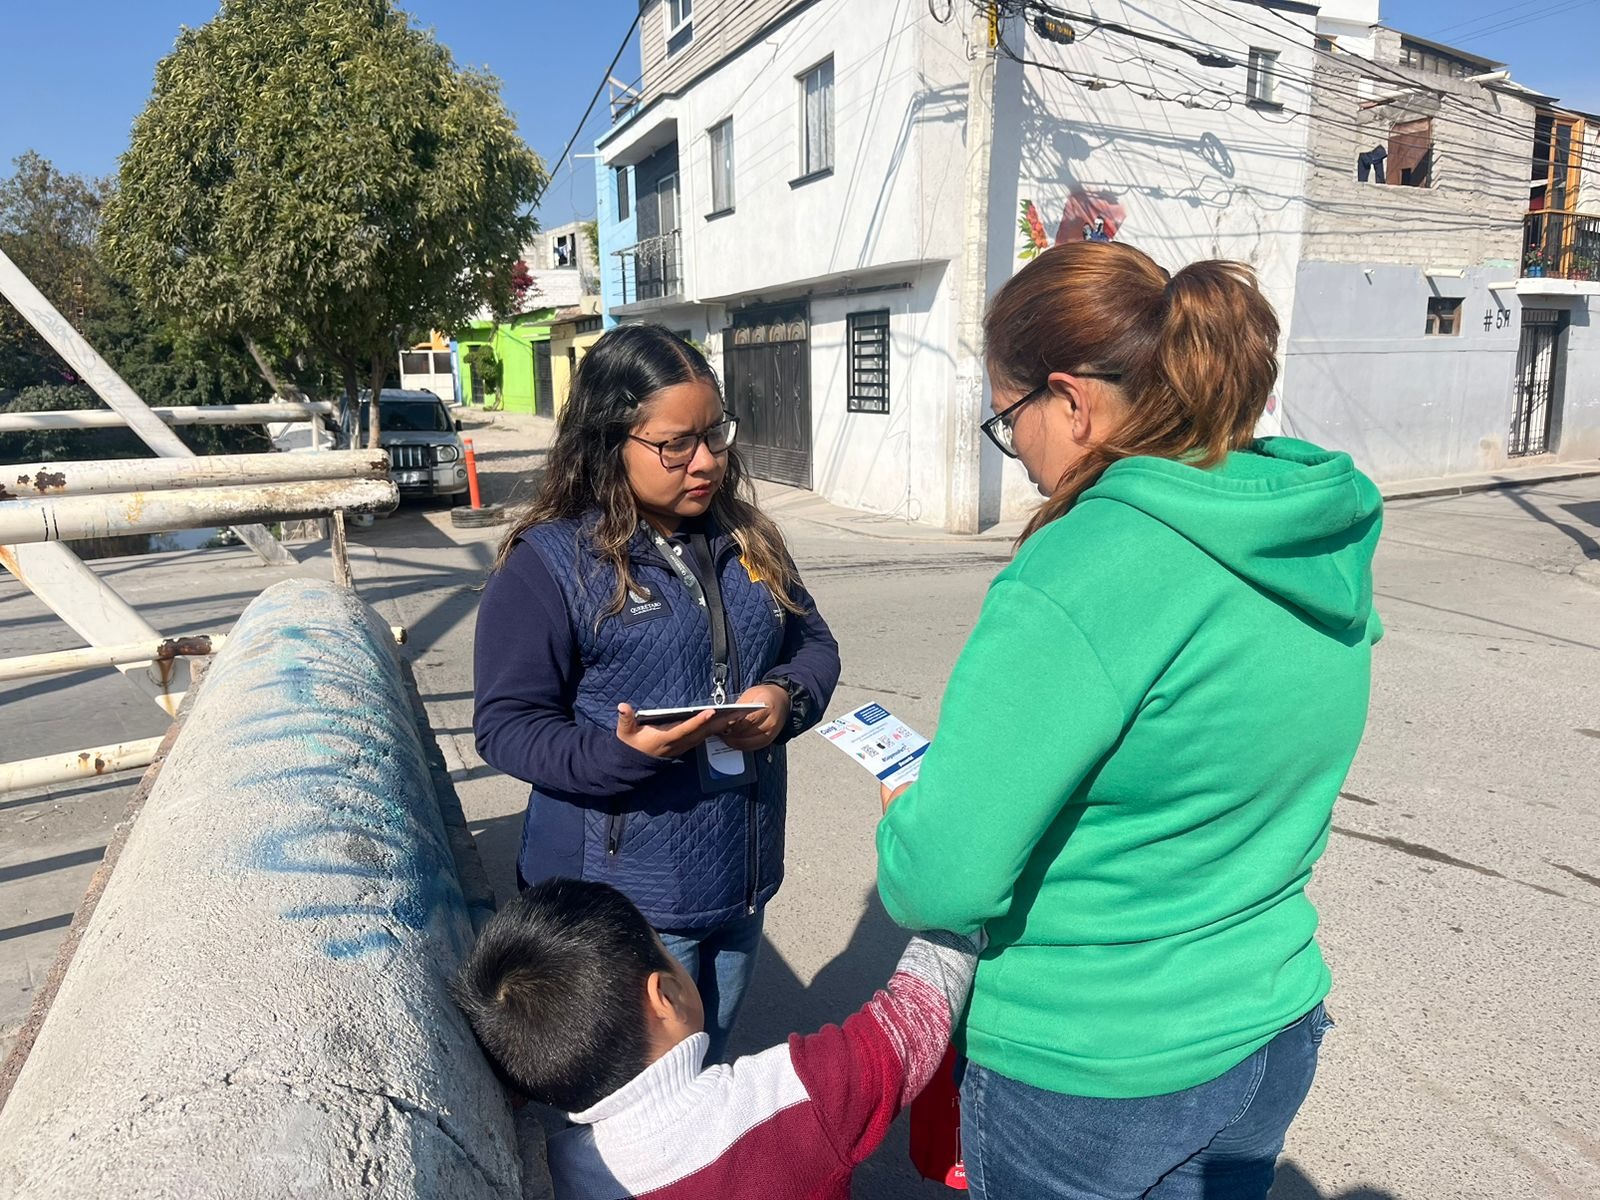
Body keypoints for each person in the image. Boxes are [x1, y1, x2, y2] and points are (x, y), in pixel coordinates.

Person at [874, 241, 1383, 1200]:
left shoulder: (1083, 567)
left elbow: (942, 878)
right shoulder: (1309, 531)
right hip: (1269, 1020)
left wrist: (915, 810)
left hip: (1095, 1073)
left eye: (1007, 415)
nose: (1014, 446)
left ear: (1071, 399)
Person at [473, 323, 840, 1064]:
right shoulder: (551, 564)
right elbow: (506, 726)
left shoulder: (750, 540)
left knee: (712, 1071)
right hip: (623, 909)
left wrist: (783, 698)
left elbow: (813, 646)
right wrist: (619, 755)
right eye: (676, 444)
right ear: (611, 441)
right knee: (632, 1106)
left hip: (738, 887)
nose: (705, 462)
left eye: (715, 435)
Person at [452, 877, 980, 1200]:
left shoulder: (559, 1177)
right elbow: (912, 1023)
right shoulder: (793, 1094)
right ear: (666, 996)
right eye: (661, 945)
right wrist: (958, 902)